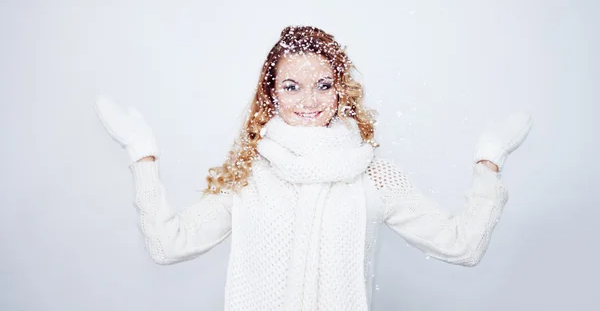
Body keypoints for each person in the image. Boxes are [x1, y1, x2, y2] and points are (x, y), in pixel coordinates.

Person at [94, 26, 533, 311]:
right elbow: (169, 246)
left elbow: (462, 246)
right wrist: (142, 153)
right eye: (291, 86)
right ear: (272, 95)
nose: (308, 101)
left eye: (323, 85)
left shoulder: (372, 174)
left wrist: (489, 160)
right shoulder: (250, 174)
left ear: (341, 91)